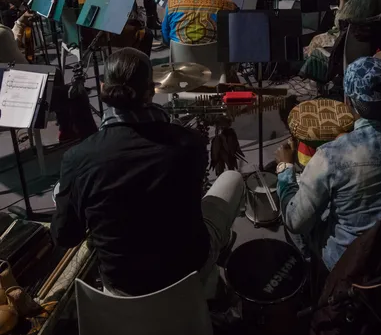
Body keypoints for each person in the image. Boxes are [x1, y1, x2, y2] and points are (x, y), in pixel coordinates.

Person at [51, 47, 245, 296]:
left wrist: (64, 195)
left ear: (102, 89)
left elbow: (65, 236)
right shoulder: (190, 144)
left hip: (122, 285)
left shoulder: (77, 158)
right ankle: (219, 264)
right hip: (187, 270)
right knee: (232, 179)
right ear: (152, 91)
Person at [277, 56, 381, 269]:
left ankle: (315, 274)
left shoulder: (330, 157)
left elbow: (295, 221)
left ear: (349, 102)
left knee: (293, 214)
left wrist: (285, 168)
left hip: (353, 264)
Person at [301, 0, 381, 82]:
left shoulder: (351, 8)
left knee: (316, 39)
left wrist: (342, 1)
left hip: (345, 47)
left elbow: (338, 24)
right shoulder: (378, 5)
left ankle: (318, 74)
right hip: (368, 50)